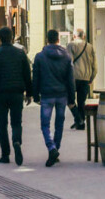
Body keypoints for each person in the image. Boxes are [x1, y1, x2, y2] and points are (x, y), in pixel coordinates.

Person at [0, 26, 33, 166]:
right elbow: (27, 75)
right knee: (16, 122)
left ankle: (5, 154)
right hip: (17, 93)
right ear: (12, 37)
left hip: (1, 94)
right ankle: (16, 140)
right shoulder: (20, 54)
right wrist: (29, 94)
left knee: (2, 124)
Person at [32, 29, 76, 167]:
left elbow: (36, 78)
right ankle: (56, 148)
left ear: (47, 39)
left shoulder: (40, 56)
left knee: (45, 124)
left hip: (46, 94)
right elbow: (70, 80)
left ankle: (51, 148)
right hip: (62, 95)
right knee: (59, 124)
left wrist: (35, 95)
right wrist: (71, 98)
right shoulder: (66, 56)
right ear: (58, 40)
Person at [67, 28, 97, 130]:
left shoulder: (71, 45)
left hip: (73, 77)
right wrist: (91, 77)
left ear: (74, 36)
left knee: (69, 99)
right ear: (83, 36)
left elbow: (69, 63)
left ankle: (78, 119)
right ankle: (81, 122)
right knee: (81, 101)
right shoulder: (90, 47)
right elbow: (95, 66)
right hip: (85, 78)